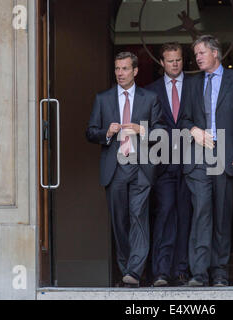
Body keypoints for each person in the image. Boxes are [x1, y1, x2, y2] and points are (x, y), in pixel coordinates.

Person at [180, 35, 233, 287]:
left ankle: (220, 272)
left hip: (226, 154)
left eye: (201, 52)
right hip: (199, 156)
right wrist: (194, 131)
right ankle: (198, 273)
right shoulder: (191, 84)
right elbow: (183, 120)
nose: (197, 57)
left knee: (222, 215)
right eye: (196, 53)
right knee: (201, 211)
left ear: (215, 53)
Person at [86, 52, 164, 288]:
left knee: (138, 217)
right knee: (120, 222)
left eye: (125, 69)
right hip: (115, 167)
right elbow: (90, 132)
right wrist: (106, 133)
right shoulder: (103, 98)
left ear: (135, 71)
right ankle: (126, 269)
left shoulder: (150, 98)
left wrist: (141, 130)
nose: (120, 73)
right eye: (117, 69)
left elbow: (161, 132)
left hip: (141, 166)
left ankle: (134, 271)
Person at [146, 43, 193, 287]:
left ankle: (181, 270)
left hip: (190, 161)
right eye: (170, 60)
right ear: (161, 63)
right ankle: (161, 271)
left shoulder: (195, 86)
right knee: (165, 212)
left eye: (178, 60)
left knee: (186, 215)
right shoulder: (150, 91)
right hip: (163, 164)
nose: (175, 64)